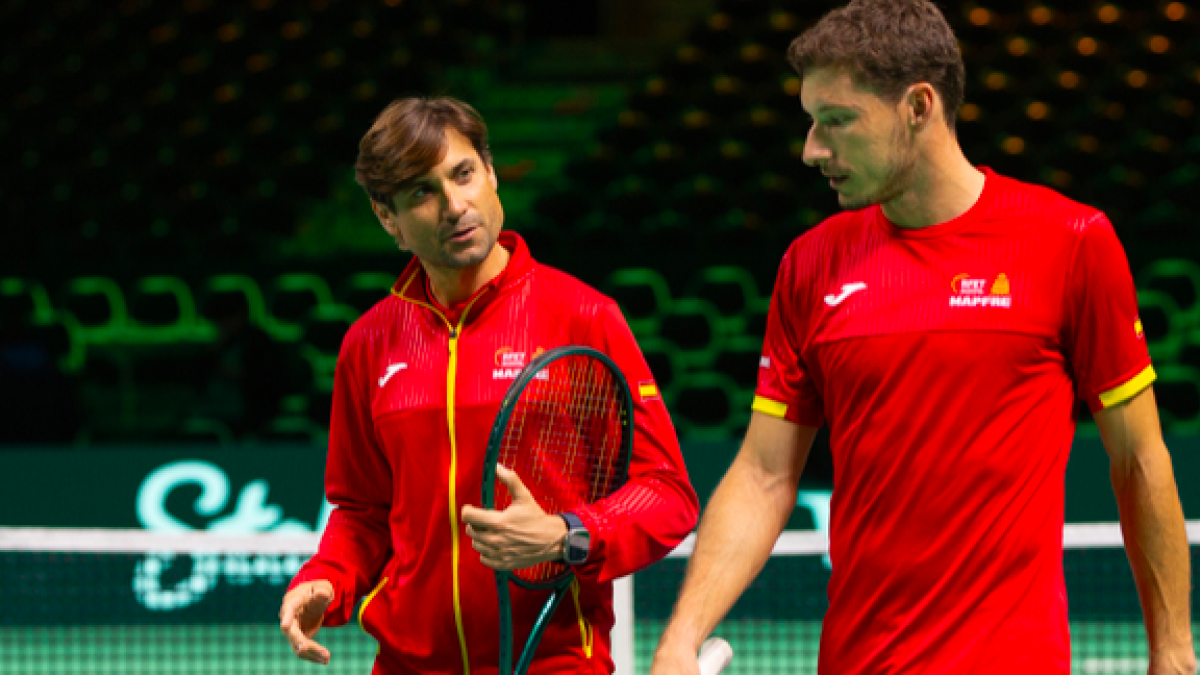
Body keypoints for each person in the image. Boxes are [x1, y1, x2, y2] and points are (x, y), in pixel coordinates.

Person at [651, 1, 1194, 674]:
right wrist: (680, 638)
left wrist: (1173, 653)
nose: (811, 149)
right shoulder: (811, 264)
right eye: (811, 122)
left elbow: (1139, 458)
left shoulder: (1070, 242)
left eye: (836, 121)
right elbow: (764, 473)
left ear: (918, 106)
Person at [278, 96, 698, 674]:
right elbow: (363, 510)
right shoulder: (368, 344)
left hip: (551, 661)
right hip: (408, 665)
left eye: (464, 174)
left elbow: (666, 493)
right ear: (387, 218)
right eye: (421, 192)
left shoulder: (582, 317)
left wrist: (565, 535)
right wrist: (327, 576)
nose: (455, 206)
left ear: (492, 174)